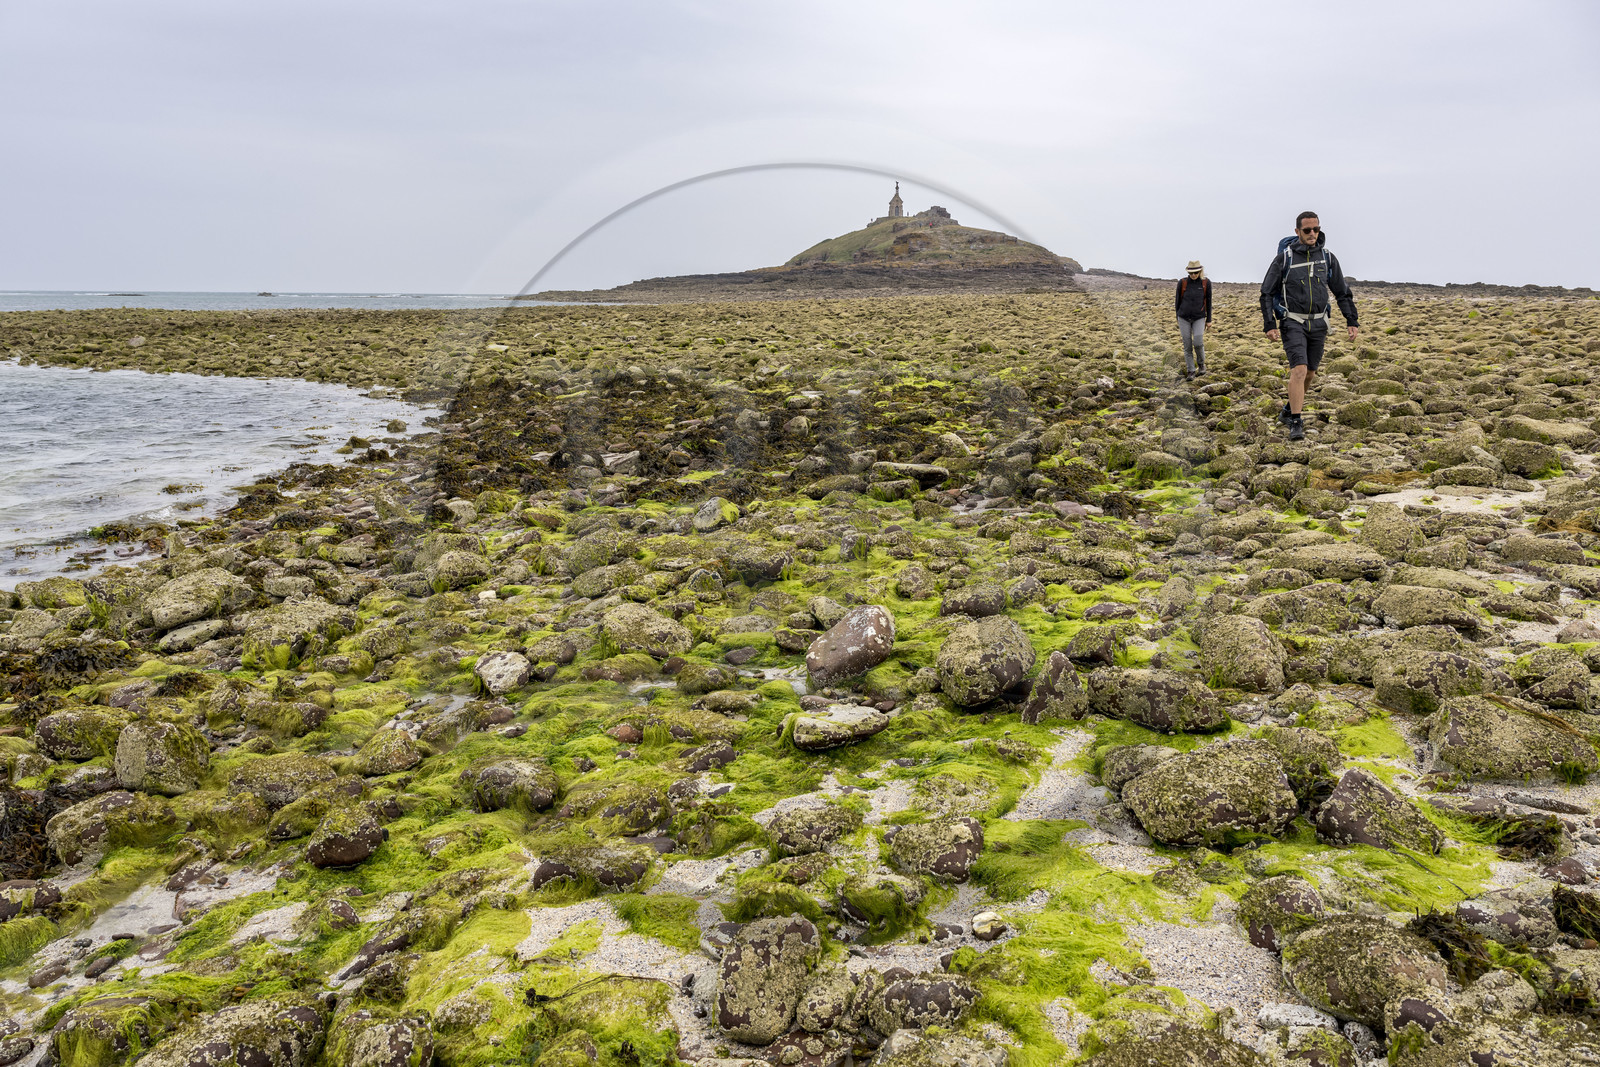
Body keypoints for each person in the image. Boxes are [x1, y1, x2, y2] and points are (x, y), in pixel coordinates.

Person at [1260, 211, 1358, 440]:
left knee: (1310, 373)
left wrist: (1351, 320)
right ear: (1297, 232)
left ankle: (1287, 410)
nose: (1313, 234)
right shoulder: (1284, 259)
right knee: (1299, 370)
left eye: (1316, 229)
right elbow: (1266, 292)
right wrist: (1269, 324)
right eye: (1307, 230)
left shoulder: (1327, 258)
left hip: (1319, 323)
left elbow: (1342, 292)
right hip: (1292, 321)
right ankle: (1296, 421)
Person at [1174, 259, 1211, 379]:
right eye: (1191, 273)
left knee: (1198, 342)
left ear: (1200, 271)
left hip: (1199, 318)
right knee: (1187, 345)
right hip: (1183, 317)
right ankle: (1191, 371)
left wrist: (1209, 320)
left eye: (1196, 272)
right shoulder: (1182, 283)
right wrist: (1177, 317)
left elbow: (1209, 302)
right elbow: (1177, 302)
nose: (1193, 275)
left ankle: (1201, 364)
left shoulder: (1206, 283)